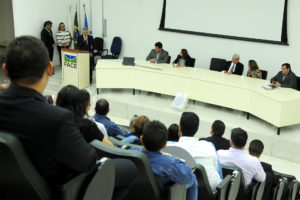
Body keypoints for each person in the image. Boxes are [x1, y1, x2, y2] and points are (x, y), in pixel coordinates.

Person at [0, 36, 137, 199]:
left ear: (5, 70)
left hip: (12, 187)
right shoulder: (56, 118)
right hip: (57, 189)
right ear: (50, 69)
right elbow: (87, 161)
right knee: (129, 168)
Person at [137, 120, 198, 200]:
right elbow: (188, 177)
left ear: (141, 139)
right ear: (165, 145)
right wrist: (174, 158)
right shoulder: (171, 164)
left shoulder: (131, 154)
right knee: (193, 178)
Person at [173, 112, 223, 192]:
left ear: (179, 128)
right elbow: (215, 165)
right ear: (196, 129)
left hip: (185, 193)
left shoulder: (172, 150)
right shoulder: (208, 145)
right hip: (212, 192)